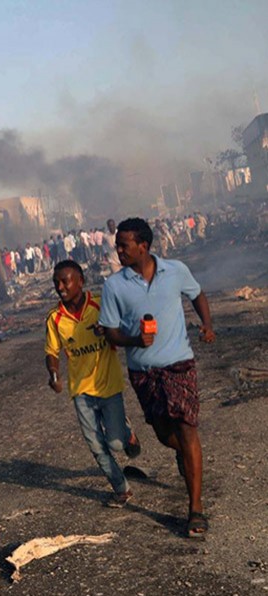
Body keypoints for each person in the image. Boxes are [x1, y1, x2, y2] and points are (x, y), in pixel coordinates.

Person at [98, 218, 216, 539]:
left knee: (188, 430)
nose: (118, 250)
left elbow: (198, 294)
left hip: (179, 364)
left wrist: (206, 325)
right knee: (166, 435)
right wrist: (134, 341)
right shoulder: (114, 286)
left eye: (124, 245)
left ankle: (196, 509)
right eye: (117, 245)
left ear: (143, 246)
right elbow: (109, 330)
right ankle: (184, 455)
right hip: (143, 372)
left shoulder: (175, 270)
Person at [45, 260, 141, 507]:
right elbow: (52, 352)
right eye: (57, 282)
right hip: (81, 391)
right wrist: (54, 374)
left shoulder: (100, 304)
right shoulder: (55, 319)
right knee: (96, 446)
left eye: (65, 281)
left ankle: (126, 433)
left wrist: (108, 330)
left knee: (115, 444)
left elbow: (123, 328)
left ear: (80, 281)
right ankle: (122, 489)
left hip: (109, 386)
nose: (60, 287)